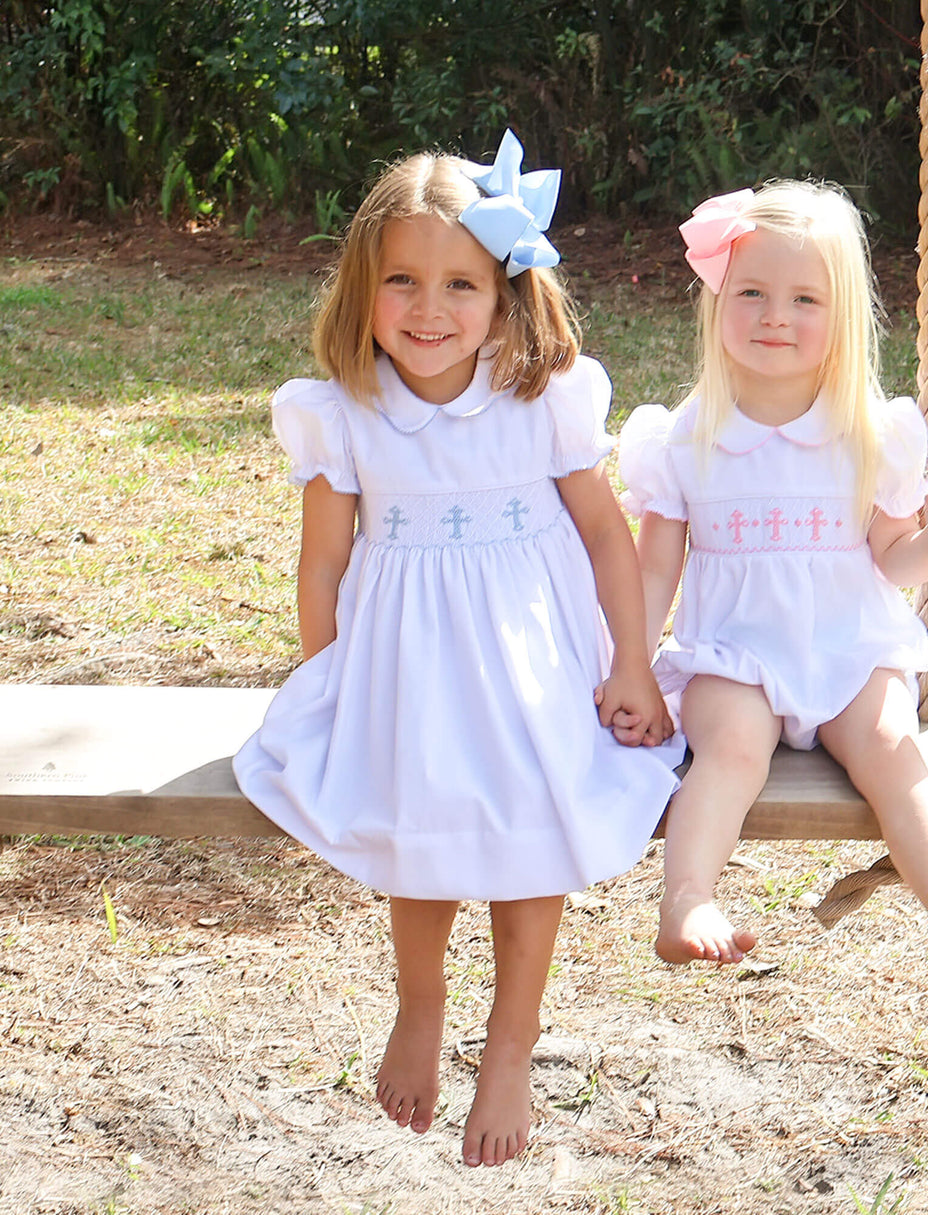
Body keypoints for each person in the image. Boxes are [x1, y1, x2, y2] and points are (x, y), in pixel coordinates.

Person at [234, 131, 679, 1168]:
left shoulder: (539, 399)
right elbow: (321, 567)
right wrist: (329, 678)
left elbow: (609, 542)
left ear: (505, 295)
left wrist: (628, 662)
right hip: (403, 660)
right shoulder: (341, 414)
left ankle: (512, 1044)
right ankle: (421, 1004)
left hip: (532, 659)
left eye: (458, 286)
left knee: (533, 818)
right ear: (362, 288)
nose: (428, 311)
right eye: (401, 281)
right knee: (417, 809)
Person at [616, 181, 928, 974]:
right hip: (735, 653)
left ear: (842, 321)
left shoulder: (869, 430)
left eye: (805, 299)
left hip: (847, 647)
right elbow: (655, 566)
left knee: (895, 746)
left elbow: (892, 557)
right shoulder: (686, 436)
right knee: (730, 749)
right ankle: (687, 896)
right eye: (753, 292)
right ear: (717, 300)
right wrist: (626, 663)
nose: (775, 315)